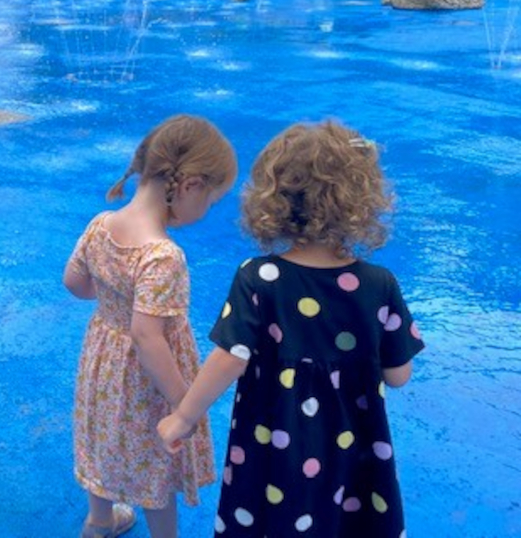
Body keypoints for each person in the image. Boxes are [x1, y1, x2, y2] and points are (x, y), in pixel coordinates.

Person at [158, 120, 425, 538]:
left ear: (274, 198)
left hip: (272, 449)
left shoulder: (258, 277)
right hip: (350, 454)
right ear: (361, 198)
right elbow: (399, 376)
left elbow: (230, 357)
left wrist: (185, 417)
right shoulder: (379, 285)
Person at [65, 115, 238, 538]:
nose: (207, 210)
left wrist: (114, 303)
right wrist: (184, 405)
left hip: (102, 362)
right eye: (211, 200)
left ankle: (100, 522)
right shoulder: (163, 255)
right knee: (156, 458)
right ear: (191, 184)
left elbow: (74, 282)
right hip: (147, 381)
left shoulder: (101, 224)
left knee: (104, 438)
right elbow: (148, 339)